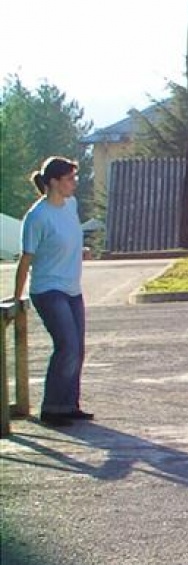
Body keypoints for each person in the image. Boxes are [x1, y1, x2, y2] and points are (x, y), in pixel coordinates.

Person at [13, 157, 90, 428]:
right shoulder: (37, 216)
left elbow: (67, 239)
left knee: (77, 348)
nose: (74, 184)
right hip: (48, 289)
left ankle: (69, 404)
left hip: (72, 288)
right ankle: (52, 408)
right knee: (66, 345)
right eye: (70, 178)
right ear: (54, 182)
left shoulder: (71, 206)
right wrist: (17, 296)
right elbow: (26, 259)